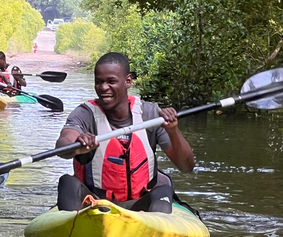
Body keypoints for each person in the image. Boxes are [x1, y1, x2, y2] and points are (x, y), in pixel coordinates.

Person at [55, 52, 196, 215]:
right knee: (67, 183)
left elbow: (187, 166)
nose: (103, 88)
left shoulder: (150, 114)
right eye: (99, 82)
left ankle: (154, 227)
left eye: (111, 81)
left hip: (140, 206)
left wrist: (173, 131)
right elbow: (64, 142)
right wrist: (76, 147)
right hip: (94, 204)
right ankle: (74, 224)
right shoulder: (84, 114)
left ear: (128, 81)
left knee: (164, 187)